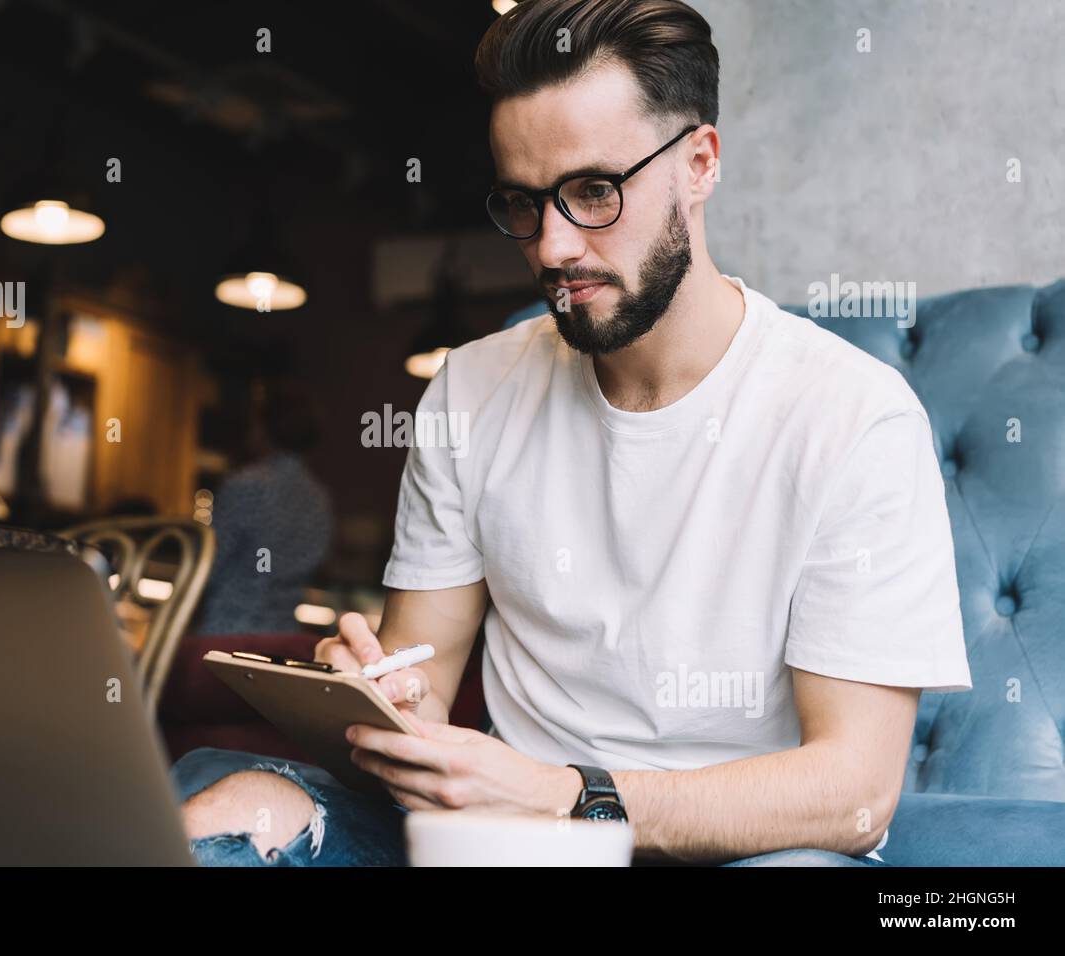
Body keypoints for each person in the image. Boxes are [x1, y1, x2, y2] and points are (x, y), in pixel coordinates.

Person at [171, 0, 970, 867]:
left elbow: (853, 794)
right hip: (499, 845)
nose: (552, 246)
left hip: (743, 851)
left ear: (699, 163)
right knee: (228, 807)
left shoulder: (854, 417)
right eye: (522, 202)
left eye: (594, 191)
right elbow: (424, 688)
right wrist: (382, 699)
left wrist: (565, 797)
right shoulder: (471, 389)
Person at [189, 377, 333, 636]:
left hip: (228, 630)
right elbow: (317, 562)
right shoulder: (319, 497)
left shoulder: (247, 485)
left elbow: (208, 561)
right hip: (281, 633)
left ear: (262, 429)